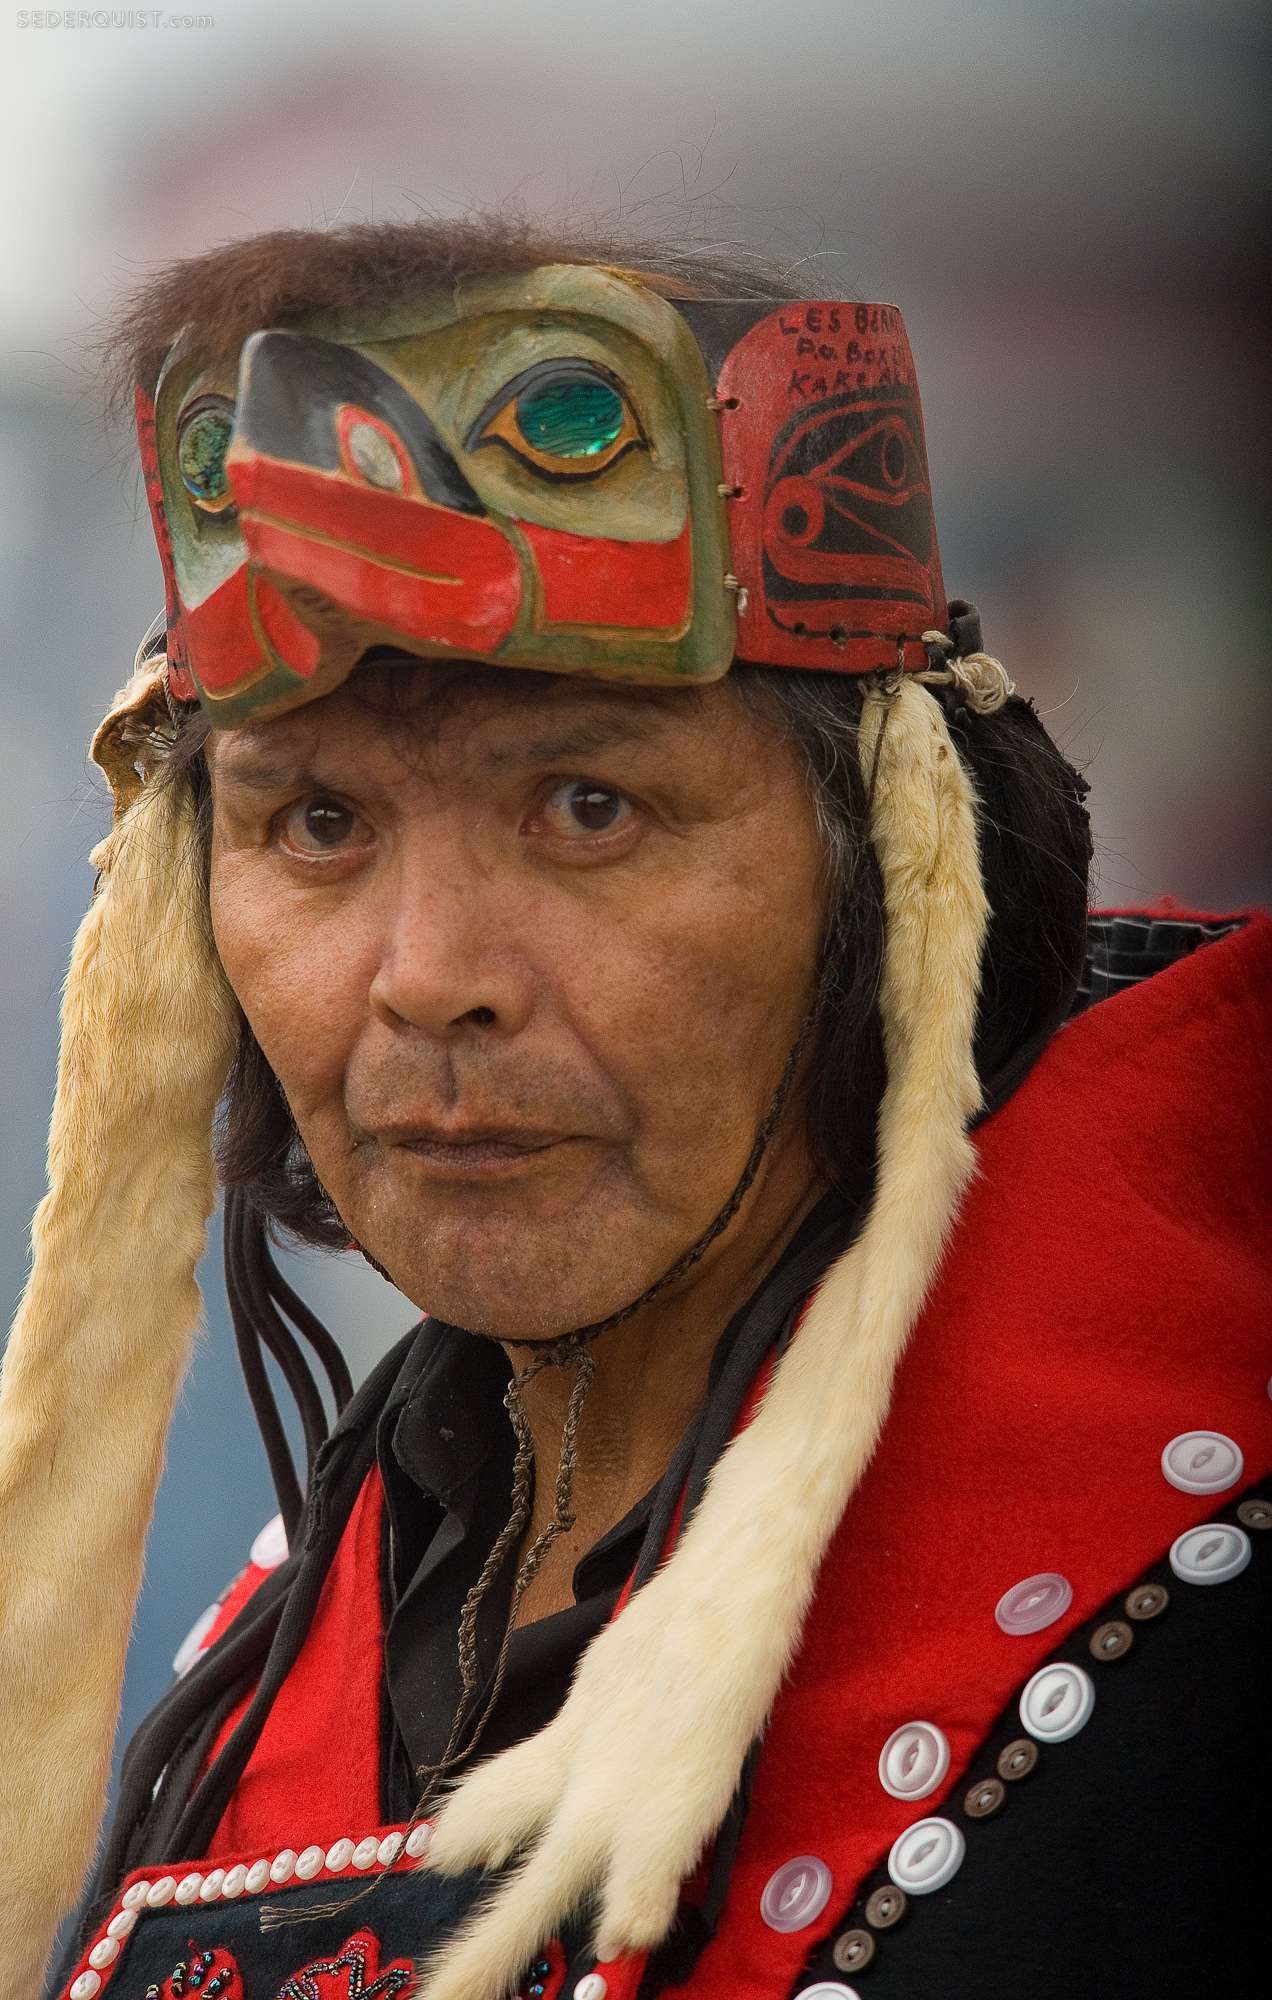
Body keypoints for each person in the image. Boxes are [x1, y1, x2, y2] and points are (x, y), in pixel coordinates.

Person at [2, 218, 1268, 2000]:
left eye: (590, 807)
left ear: (899, 865)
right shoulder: (284, 1649)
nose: (429, 974)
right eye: (316, 826)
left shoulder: (1200, 1565)